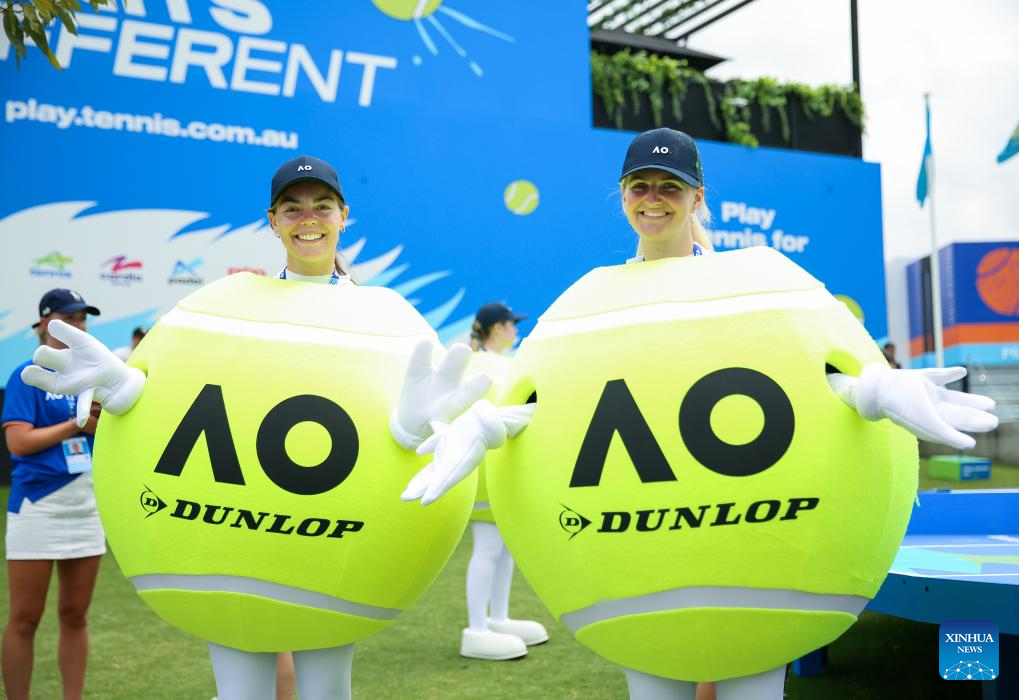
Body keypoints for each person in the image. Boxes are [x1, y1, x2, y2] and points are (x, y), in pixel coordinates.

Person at [401, 128, 999, 700]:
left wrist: (875, 389)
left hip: (751, 554)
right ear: (622, 195)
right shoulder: (593, 303)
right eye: (640, 186)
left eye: (671, 186)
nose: (654, 199)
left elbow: (804, 372)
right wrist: (482, 424)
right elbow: (546, 404)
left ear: (697, 197)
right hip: (639, 563)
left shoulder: (748, 285)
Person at [22, 155, 488, 700]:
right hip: (233, 546)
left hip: (335, 551)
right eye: (292, 208)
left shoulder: (385, 317)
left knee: (327, 690)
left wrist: (417, 431)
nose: (307, 219)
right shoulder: (233, 306)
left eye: (322, 206)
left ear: (344, 216)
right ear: (273, 221)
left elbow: (422, 411)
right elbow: (188, 399)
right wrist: (125, 390)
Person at [1, 289, 106, 700]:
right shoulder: (26, 373)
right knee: (25, 618)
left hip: (86, 505)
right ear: (46, 323)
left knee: (76, 615)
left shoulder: (93, 375)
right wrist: (76, 426)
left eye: (82, 319)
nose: (78, 326)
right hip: (37, 507)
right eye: (69, 318)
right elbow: (18, 443)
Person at [460, 302, 548, 660]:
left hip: (488, 468)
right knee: (489, 547)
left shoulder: (481, 363)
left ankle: (497, 618)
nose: (515, 330)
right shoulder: (496, 367)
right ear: (498, 328)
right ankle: (476, 629)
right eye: (511, 325)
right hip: (488, 470)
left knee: (501, 548)